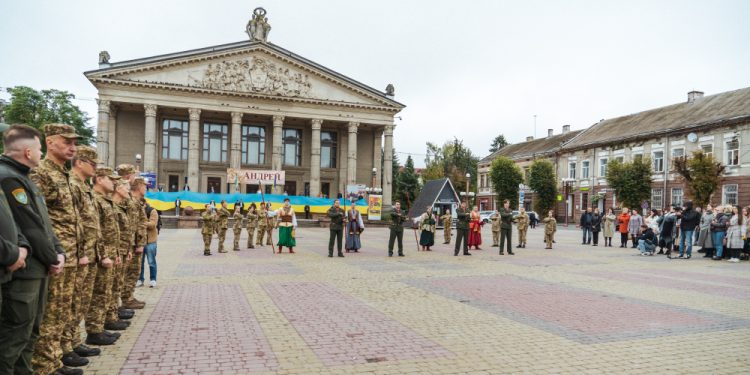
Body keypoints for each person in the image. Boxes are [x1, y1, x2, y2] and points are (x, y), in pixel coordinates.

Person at [0, 125, 63, 374]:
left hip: (37, 266)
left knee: (29, 333)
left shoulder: (22, 176)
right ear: (28, 151)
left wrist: (57, 251)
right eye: (39, 148)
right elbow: (29, 226)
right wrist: (52, 257)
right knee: (15, 336)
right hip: (26, 270)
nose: (41, 153)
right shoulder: (9, 178)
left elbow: (43, 223)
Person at [29, 124, 85, 375]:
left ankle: (56, 359)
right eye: (67, 142)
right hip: (55, 257)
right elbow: (36, 219)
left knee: (63, 310)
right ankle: (44, 366)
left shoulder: (62, 174)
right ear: (50, 142)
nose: (73, 147)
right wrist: (49, 253)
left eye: (74, 142)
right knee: (51, 314)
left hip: (70, 254)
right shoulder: (41, 173)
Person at [62, 146, 101, 363]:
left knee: (78, 302)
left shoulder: (82, 187)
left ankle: (72, 343)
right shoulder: (71, 184)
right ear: (80, 162)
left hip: (84, 254)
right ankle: (60, 354)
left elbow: (94, 226)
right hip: (69, 255)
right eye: (93, 164)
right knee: (63, 307)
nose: (95, 169)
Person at [85, 167, 121, 347]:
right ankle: (94, 330)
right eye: (110, 179)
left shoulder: (105, 201)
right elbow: (95, 230)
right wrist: (103, 254)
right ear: (99, 179)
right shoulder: (96, 200)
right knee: (98, 293)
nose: (114, 182)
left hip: (110, 253)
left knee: (105, 291)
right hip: (99, 256)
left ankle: (99, 327)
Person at [120, 174, 147, 311]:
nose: (146, 189)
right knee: (130, 272)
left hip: (135, 243)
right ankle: (126, 299)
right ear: (139, 187)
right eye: (144, 186)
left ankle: (128, 297)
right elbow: (132, 225)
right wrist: (137, 243)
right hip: (131, 244)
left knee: (134, 272)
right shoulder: (130, 202)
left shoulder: (136, 201)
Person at [139, 203, 160, 287]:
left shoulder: (152, 211)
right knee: (140, 262)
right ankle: (140, 279)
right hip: (140, 241)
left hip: (150, 241)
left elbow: (152, 225)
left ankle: (153, 279)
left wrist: (142, 222)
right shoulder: (137, 210)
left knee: (151, 262)